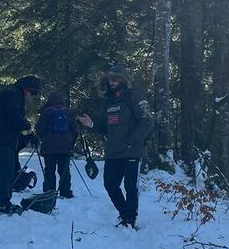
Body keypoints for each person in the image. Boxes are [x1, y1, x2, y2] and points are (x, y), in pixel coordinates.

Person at [78, 64, 153, 227]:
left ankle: (130, 219)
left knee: (130, 187)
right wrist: (91, 124)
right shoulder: (108, 102)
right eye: (110, 80)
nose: (112, 83)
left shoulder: (134, 96)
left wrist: (132, 141)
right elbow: (104, 127)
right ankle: (124, 213)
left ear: (123, 80)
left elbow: (147, 121)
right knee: (110, 185)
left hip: (132, 151)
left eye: (115, 79)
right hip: (113, 152)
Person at [0, 75, 41, 214]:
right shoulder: (14, 94)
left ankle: (3, 201)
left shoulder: (12, 93)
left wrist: (26, 136)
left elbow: (11, 121)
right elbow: (14, 117)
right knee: (4, 171)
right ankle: (1, 204)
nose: (30, 97)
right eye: (32, 93)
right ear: (26, 89)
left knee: (7, 170)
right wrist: (28, 127)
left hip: (1, 138)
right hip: (0, 138)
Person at [36, 92, 78, 198]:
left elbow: (39, 129)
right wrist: (71, 144)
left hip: (49, 146)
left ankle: (49, 190)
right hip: (65, 145)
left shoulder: (46, 112)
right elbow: (75, 130)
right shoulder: (68, 112)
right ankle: (65, 191)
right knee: (64, 170)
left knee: (49, 169)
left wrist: (44, 139)